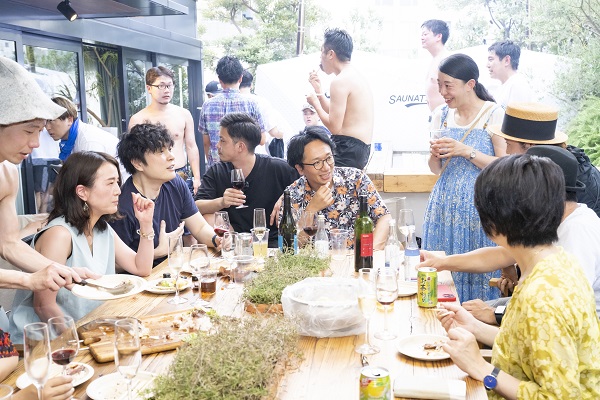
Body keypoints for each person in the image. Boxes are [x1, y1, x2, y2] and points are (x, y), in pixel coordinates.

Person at [437, 154, 600, 399]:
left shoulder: (542, 297)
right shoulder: (558, 261)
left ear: (492, 222)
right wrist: (474, 327)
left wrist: (481, 368)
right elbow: (527, 344)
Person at [420, 135, 600, 323]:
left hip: (575, 324)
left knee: (458, 321)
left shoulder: (578, 231)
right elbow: (500, 255)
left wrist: (494, 314)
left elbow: (560, 312)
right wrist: (442, 262)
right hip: (537, 310)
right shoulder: (548, 220)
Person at [9, 151, 155, 343]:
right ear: (82, 192)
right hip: (44, 342)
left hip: (89, 330)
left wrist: (145, 224)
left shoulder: (103, 229)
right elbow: (44, 306)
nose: (118, 190)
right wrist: (82, 341)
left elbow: (141, 268)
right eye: (110, 183)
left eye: (117, 182)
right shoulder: (59, 234)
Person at [0, 56, 96, 293]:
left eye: (40, 131)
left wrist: (63, 271)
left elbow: (8, 244)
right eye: (29, 131)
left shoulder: (8, 175)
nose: (35, 143)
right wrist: (27, 280)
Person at [424, 53, 506, 302]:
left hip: (480, 209)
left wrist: (466, 151)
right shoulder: (440, 115)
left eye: (448, 86)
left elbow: (504, 166)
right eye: (439, 85)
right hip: (443, 206)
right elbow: (435, 169)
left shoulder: (493, 114)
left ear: (470, 84)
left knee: (480, 272)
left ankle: (478, 320)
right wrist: (435, 155)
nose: (443, 92)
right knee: (441, 272)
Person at [110, 123, 218, 266]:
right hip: (144, 277)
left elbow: (200, 228)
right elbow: (114, 265)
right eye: (161, 152)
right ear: (138, 163)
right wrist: (158, 252)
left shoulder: (175, 183)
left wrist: (217, 240)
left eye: (170, 149)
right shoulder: (122, 206)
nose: (171, 157)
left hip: (175, 269)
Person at [195, 113, 298, 247]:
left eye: (222, 140)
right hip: (233, 242)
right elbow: (195, 207)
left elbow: (305, 188)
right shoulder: (217, 171)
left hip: (272, 242)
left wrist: (285, 198)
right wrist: (221, 202)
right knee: (208, 216)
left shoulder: (278, 168)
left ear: (240, 147)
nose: (217, 145)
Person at [284, 127, 390, 249]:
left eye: (329, 158)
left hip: (356, 258)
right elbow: (290, 247)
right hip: (315, 260)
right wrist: (311, 210)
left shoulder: (355, 179)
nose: (326, 167)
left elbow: (384, 217)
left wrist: (371, 252)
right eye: (317, 163)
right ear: (300, 168)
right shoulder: (292, 195)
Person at [492, 102, 600, 217]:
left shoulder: (562, 176)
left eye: (508, 144)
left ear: (529, 145)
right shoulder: (559, 161)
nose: (507, 152)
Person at [307, 28, 374, 170]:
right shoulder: (353, 75)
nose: (320, 59)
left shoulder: (340, 81)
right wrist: (319, 92)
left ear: (331, 54)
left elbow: (334, 127)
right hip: (358, 149)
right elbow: (334, 112)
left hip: (347, 148)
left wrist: (315, 103)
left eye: (322, 53)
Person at [129, 66, 201, 195]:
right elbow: (134, 156)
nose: (166, 90)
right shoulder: (138, 119)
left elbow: (191, 146)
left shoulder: (184, 114)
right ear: (149, 88)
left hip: (181, 174)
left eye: (169, 85)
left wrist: (197, 177)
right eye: (161, 86)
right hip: (152, 178)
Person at [199, 56, 266, 168]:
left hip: (217, 168)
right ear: (241, 78)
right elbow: (262, 140)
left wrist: (212, 163)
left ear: (220, 80)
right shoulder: (251, 104)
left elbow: (206, 143)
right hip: (245, 168)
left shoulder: (207, 105)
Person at [45, 96, 125, 177]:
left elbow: (93, 178)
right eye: (46, 122)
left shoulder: (88, 141)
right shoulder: (68, 142)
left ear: (69, 120)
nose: (47, 127)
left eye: (51, 121)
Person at [239, 69, 284, 156]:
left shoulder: (230, 102)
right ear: (251, 85)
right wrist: (281, 134)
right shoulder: (262, 102)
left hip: (235, 154)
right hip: (257, 154)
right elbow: (273, 132)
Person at [486, 41, 533, 108]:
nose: (487, 65)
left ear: (507, 60)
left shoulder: (517, 85)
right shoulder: (504, 86)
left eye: (491, 59)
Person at [421, 19, 451, 112]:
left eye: (425, 34)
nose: (422, 38)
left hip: (447, 116)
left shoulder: (447, 60)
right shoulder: (434, 60)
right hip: (436, 116)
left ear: (438, 36)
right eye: (422, 35)